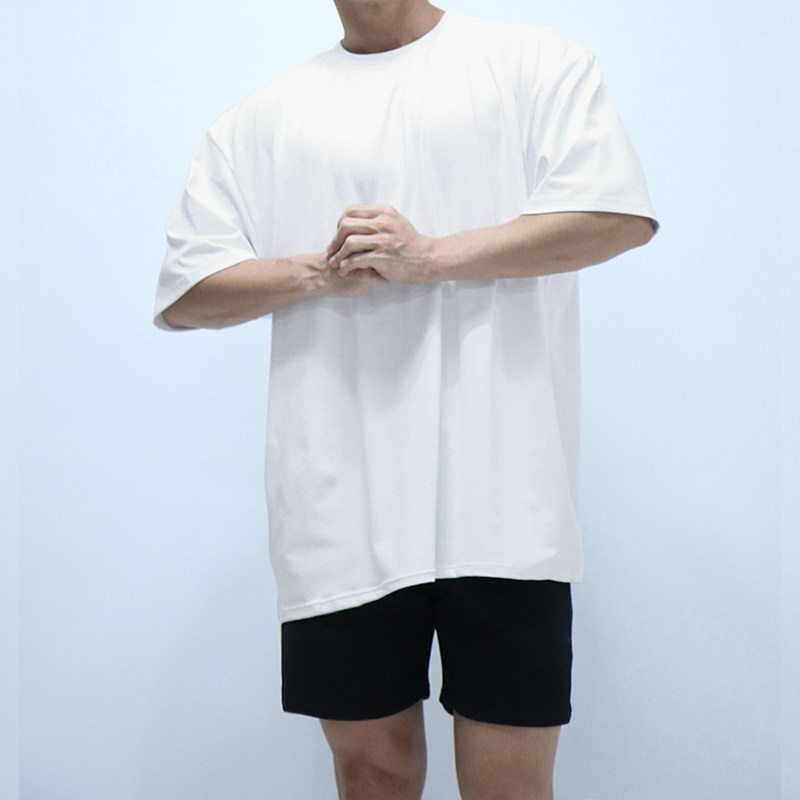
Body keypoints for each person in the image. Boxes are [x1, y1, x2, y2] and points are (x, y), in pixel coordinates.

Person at [153, 1, 658, 798]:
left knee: (509, 785)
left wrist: (429, 256)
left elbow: (617, 216)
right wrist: (319, 273)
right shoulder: (257, 121)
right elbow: (187, 292)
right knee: (372, 775)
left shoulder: (536, 64)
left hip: (505, 504)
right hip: (338, 512)